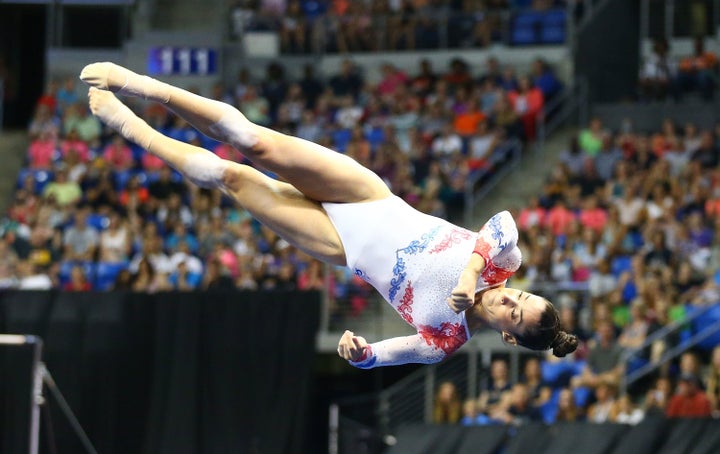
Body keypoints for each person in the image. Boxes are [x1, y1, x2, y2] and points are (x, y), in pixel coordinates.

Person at [79, 62, 578, 369]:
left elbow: (383, 356)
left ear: (509, 336)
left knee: (229, 178)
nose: (509, 298)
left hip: (341, 246)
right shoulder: (502, 261)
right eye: (522, 295)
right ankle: (143, 85)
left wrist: (359, 353)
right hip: (368, 198)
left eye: (513, 313)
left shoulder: (445, 339)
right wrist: (472, 272)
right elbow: (505, 221)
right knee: (252, 142)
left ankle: (131, 127)